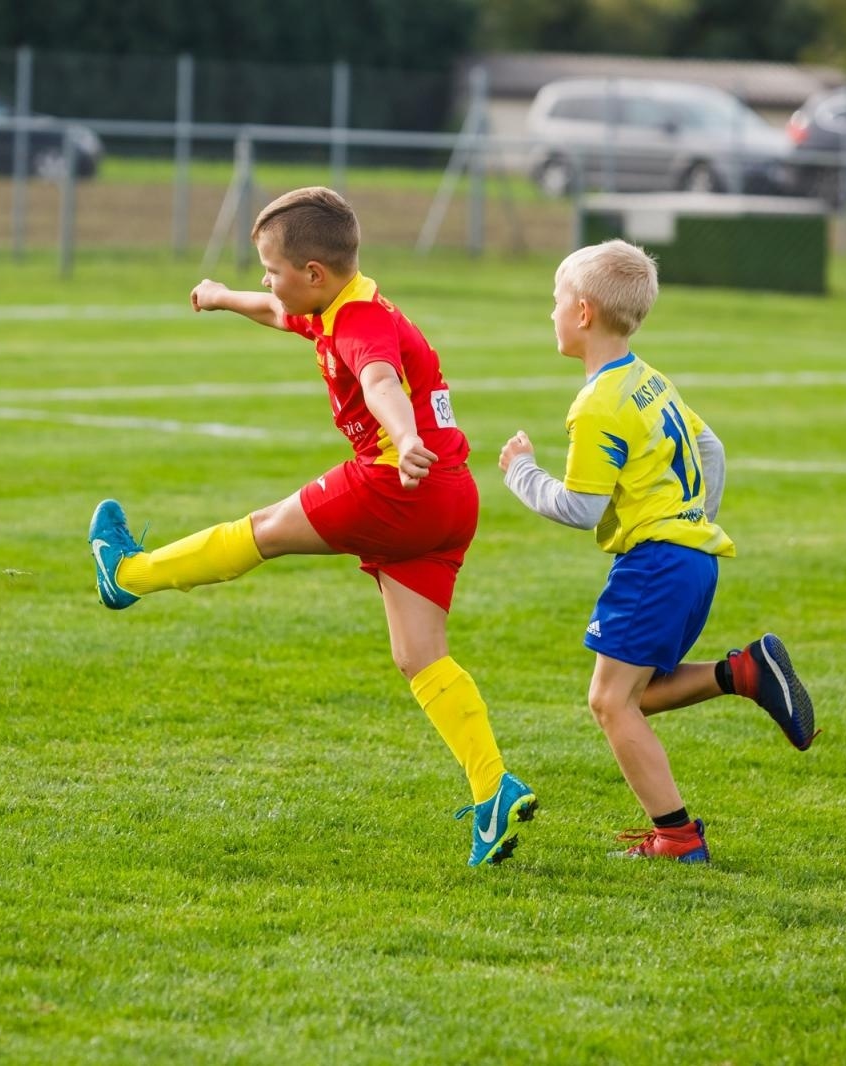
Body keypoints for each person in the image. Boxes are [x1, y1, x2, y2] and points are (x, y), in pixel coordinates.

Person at [88, 186, 536, 868]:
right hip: (450, 498)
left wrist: (404, 435)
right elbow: (278, 309)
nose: (267, 281)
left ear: (313, 275)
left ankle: (126, 575)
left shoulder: (358, 328)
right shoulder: (344, 302)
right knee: (420, 656)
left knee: (264, 529)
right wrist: (223, 296)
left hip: (396, 482)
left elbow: (381, 381)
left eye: (272, 268)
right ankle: (492, 788)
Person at [497, 239, 816, 864]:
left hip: (657, 562)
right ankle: (741, 672)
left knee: (609, 702)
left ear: (583, 313)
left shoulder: (597, 404)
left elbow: (582, 507)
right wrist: (695, 522)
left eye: (556, 301)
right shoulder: (648, 380)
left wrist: (520, 474)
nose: (551, 313)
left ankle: (676, 836)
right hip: (691, 559)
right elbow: (713, 448)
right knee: (633, 694)